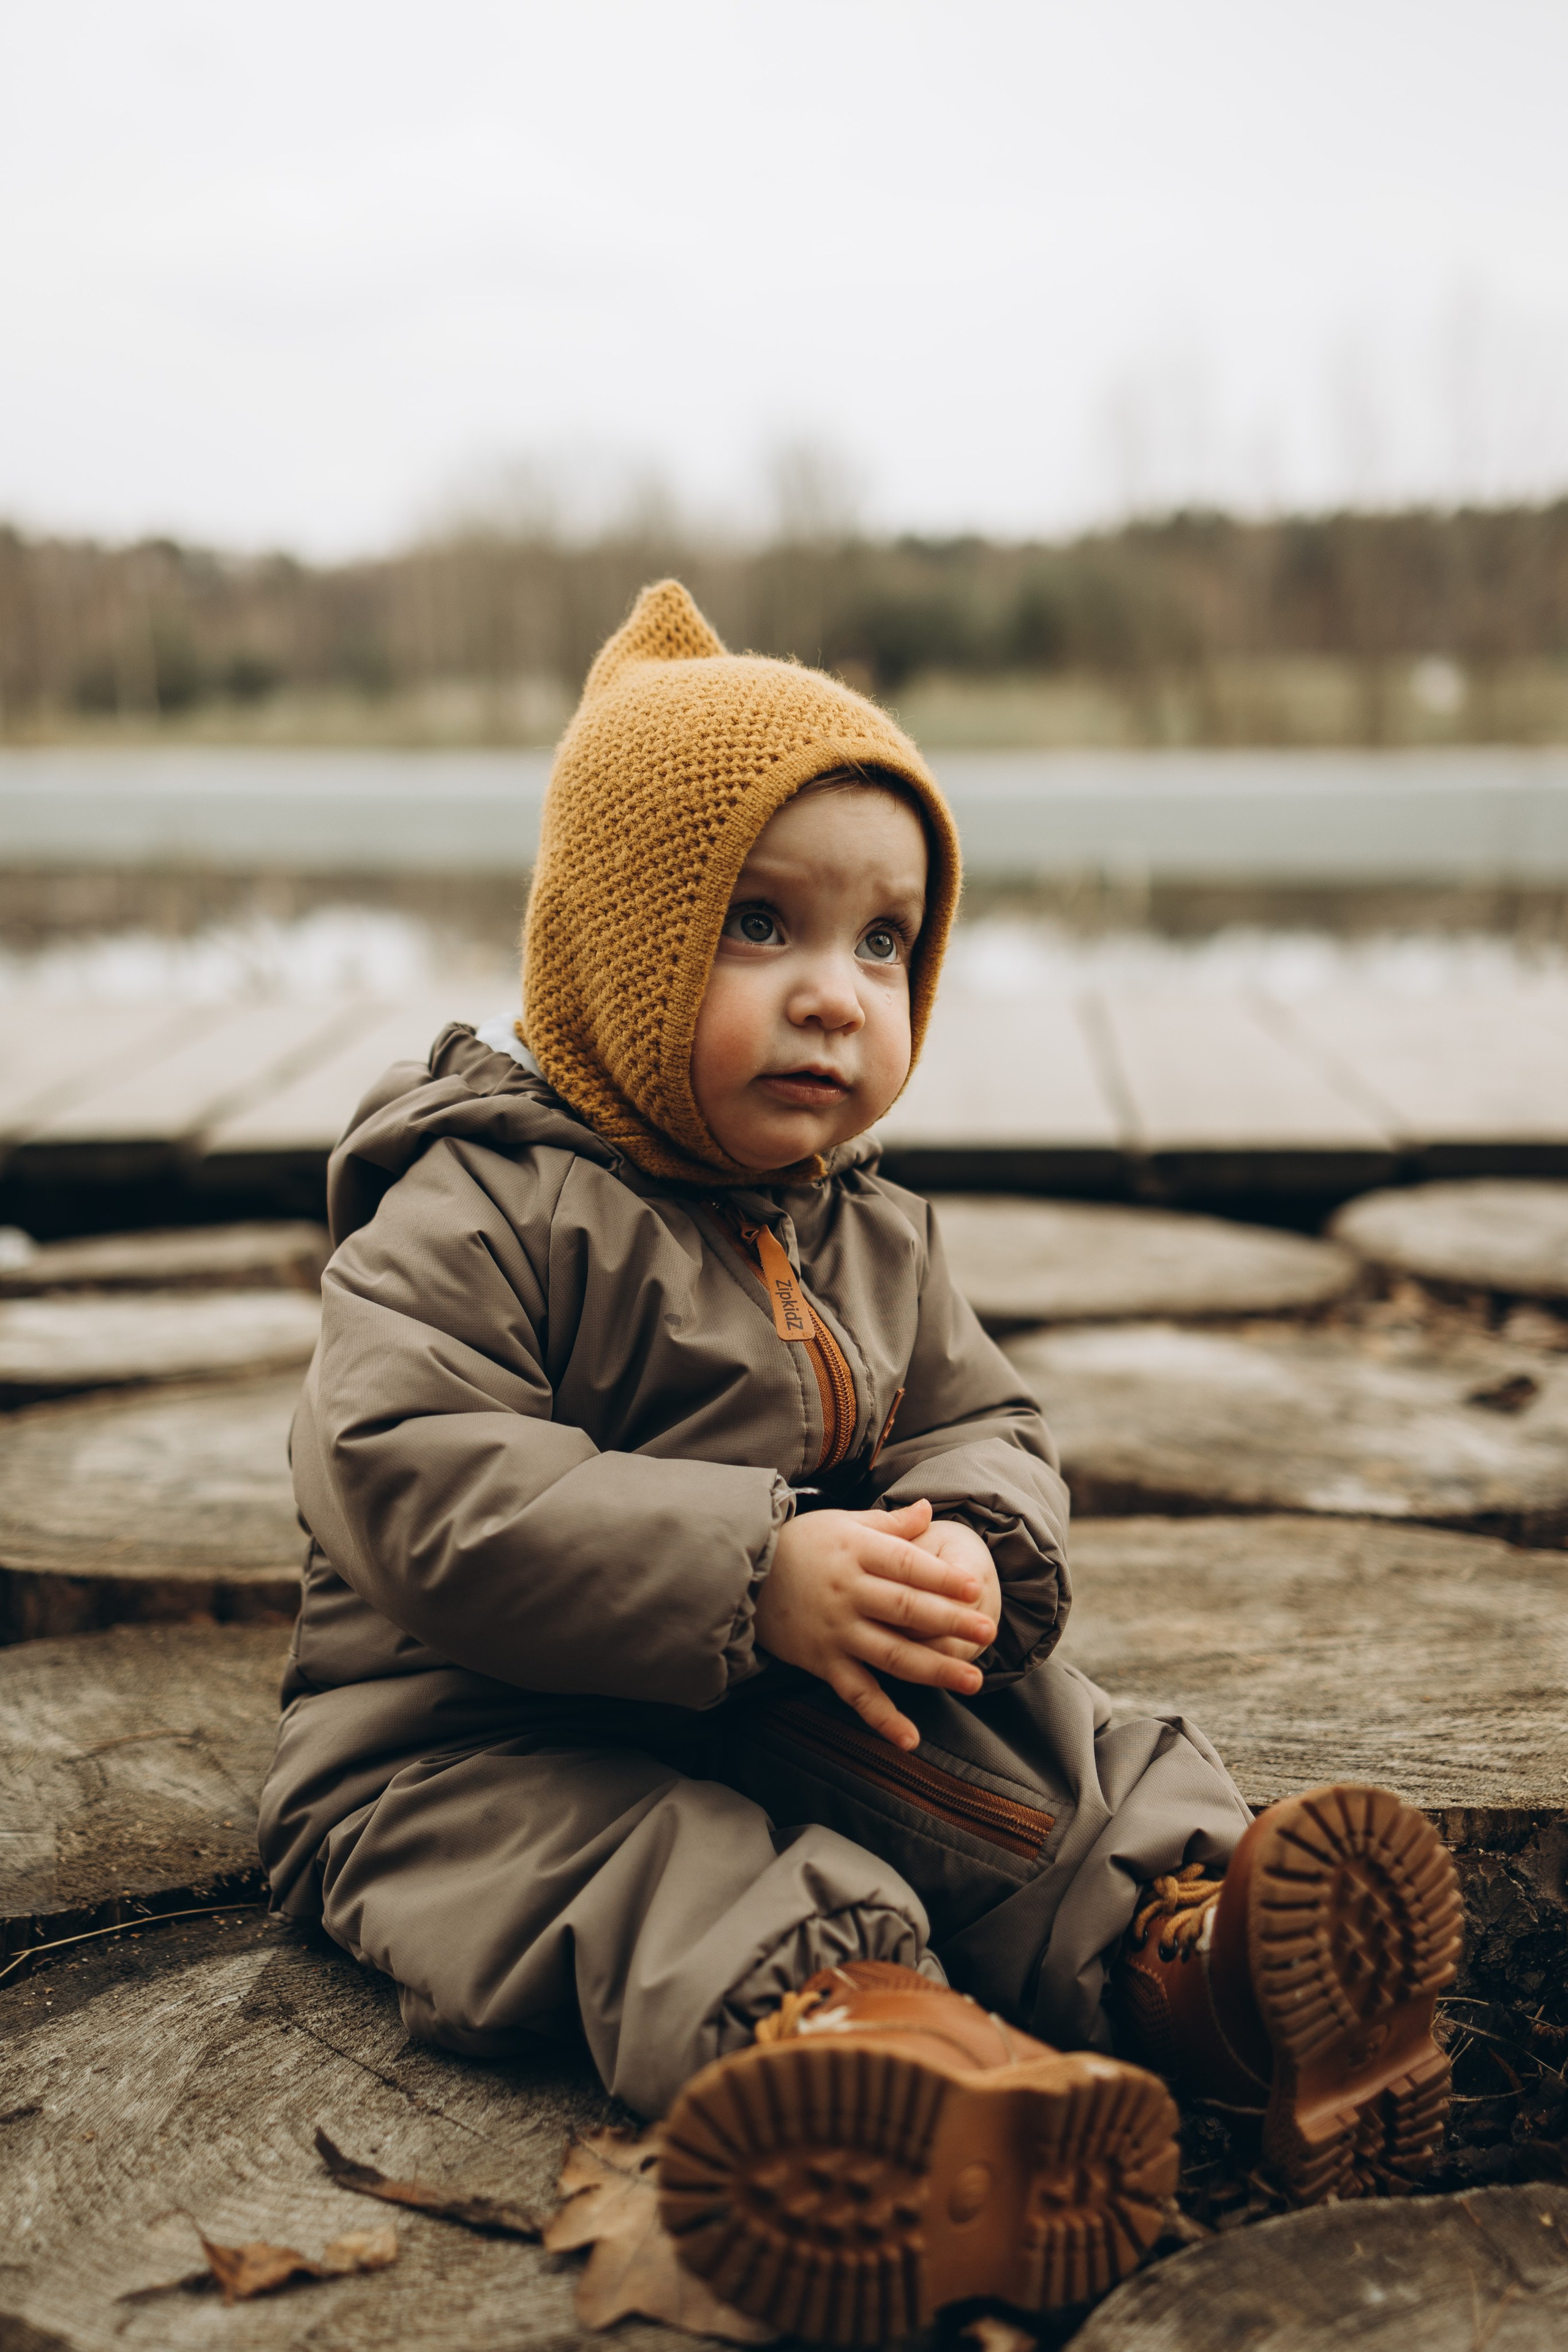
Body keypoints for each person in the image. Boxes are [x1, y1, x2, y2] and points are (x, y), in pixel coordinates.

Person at [258, 582, 1461, 2339]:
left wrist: (977, 1538)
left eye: (884, 944)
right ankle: (878, 2051)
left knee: (1052, 1732)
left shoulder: (871, 1232)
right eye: (763, 928)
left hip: (778, 1692)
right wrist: (758, 1570)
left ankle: (1199, 1956)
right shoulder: (480, 1206)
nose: (838, 998)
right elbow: (412, 1477)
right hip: (466, 1744)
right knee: (656, 1862)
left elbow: (987, 1416)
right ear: (616, 942)